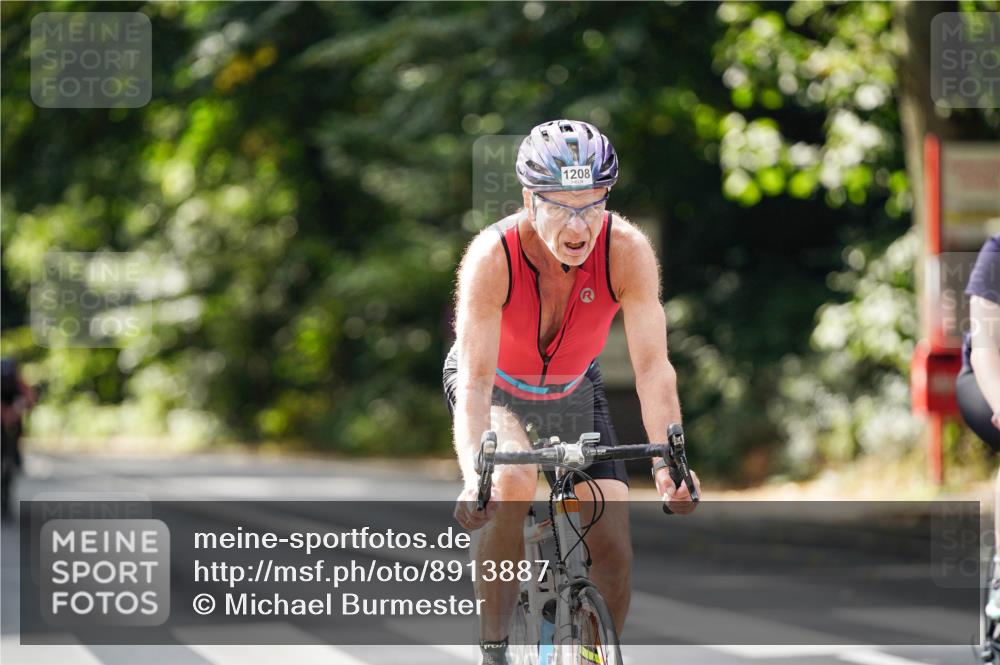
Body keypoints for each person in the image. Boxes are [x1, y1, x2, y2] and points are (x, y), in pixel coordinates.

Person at [444, 119, 701, 665]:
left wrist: (670, 465)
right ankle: (493, 648)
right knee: (511, 482)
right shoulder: (492, 258)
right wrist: (475, 477)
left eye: (592, 204)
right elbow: (474, 380)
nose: (579, 224)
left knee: (612, 537)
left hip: (572, 387)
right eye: (561, 205)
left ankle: (592, 655)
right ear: (528, 201)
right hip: (497, 389)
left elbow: (653, 367)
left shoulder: (625, 250)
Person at [1, 357, 35, 523]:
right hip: (8, 429)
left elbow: (29, 398)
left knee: (10, 467)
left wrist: (15, 411)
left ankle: (5, 503)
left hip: (12, 432)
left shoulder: (17, 382)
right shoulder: (15, 380)